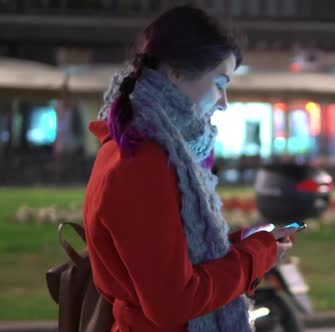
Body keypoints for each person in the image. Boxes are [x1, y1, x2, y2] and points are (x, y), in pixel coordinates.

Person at [84, 6, 294, 332]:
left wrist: (244, 244)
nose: (224, 101)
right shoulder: (141, 165)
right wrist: (256, 255)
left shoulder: (148, 152)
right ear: (176, 73)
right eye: (219, 83)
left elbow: (176, 260)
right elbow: (174, 302)